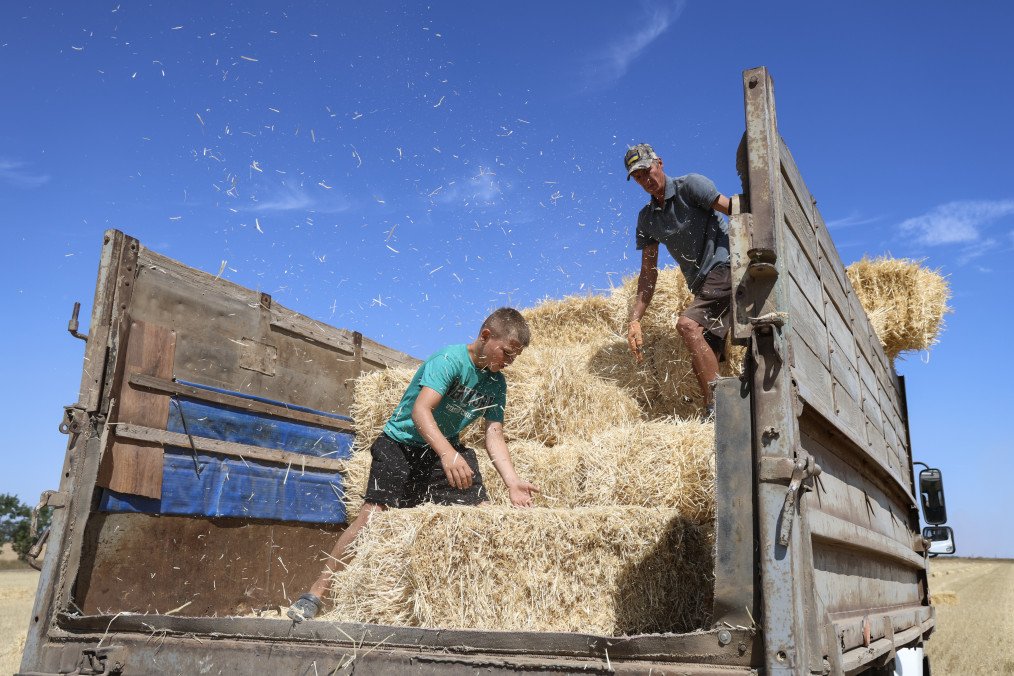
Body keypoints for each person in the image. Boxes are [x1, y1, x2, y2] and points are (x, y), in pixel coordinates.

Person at [287, 307, 540, 622]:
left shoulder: (496, 385)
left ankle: (480, 608)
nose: (508, 361)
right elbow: (422, 412)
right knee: (371, 517)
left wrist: (512, 482)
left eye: (514, 357)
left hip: (441, 451)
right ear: (486, 336)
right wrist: (449, 454)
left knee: (482, 516)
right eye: (506, 352)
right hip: (400, 446)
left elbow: (494, 434)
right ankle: (315, 593)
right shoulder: (449, 361)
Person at [623, 143, 733, 417]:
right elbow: (648, 273)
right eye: (637, 178)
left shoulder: (690, 186)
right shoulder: (647, 219)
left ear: (659, 163)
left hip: (726, 267)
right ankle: (733, 413)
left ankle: (716, 409)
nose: (645, 180)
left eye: (646, 171)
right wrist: (635, 319)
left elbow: (734, 210)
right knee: (712, 354)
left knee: (686, 325)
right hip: (702, 285)